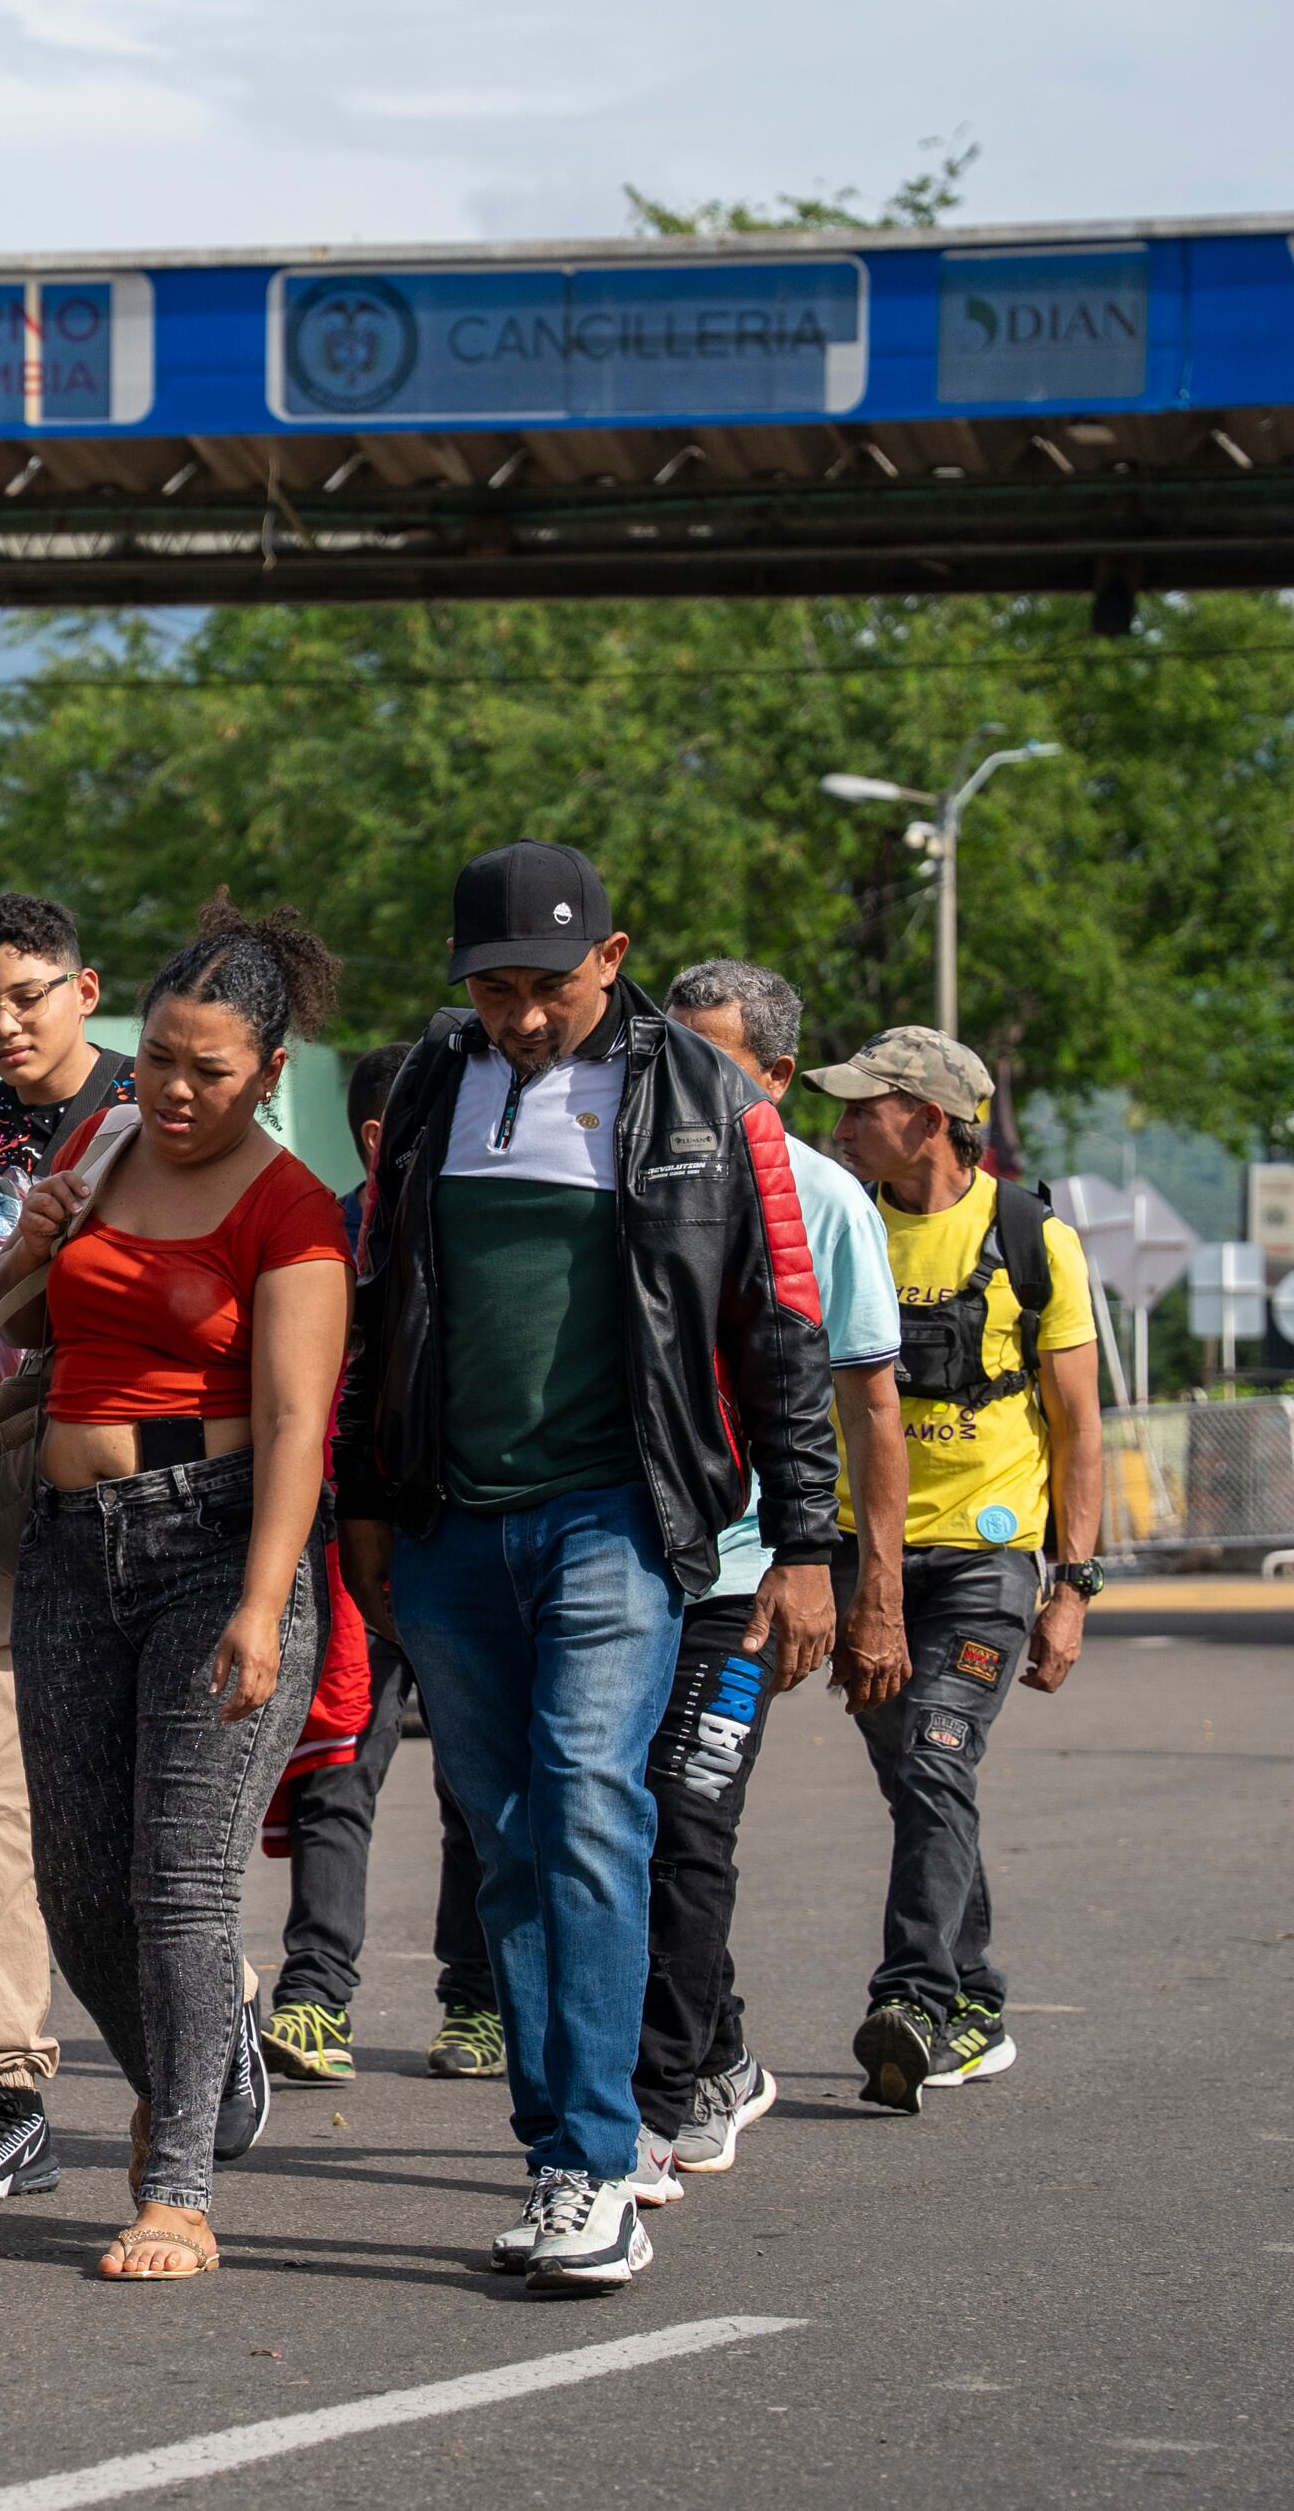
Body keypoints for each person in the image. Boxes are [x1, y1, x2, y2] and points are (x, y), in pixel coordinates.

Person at [338, 840, 839, 2296]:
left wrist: (810, 1542)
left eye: (545, 982)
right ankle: (561, 2143)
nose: (519, 1012)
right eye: (492, 986)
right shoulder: (433, 1084)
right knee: (504, 1837)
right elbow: (381, 1299)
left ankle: (598, 2162)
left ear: (611, 957)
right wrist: (369, 1497)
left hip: (617, 1515)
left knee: (590, 1804)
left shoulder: (706, 1098)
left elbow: (781, 1331)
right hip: (448, 1525)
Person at [0, 903, 352, 2280]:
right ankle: (211, 2061)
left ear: (266, 1069)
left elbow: (302, 1423)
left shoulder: (290, 1207)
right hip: (72, 1545)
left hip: (219, 1545)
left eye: (209, 1068)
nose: (176, 1091)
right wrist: (32, 1238)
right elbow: (12, 1321)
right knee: (78, 1891)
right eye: (157, 1059)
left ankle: (177, 2181)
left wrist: (263, 1604)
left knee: (180, 1889)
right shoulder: (104, 1142)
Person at [642, 962, 908, 2181]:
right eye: (667, 1050)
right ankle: (722, 2052)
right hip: (625, 1569)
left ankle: (671, 2091)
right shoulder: (628, 1172)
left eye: (711, 1057)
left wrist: (864, 1587)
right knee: (616, 1827)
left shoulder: (823, 1199)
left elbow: (865, 1414)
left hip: (747, 1581)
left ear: (777, 1076)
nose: (678, 1077)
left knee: (689, 1821)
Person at [809, 1025, 1102, 2111]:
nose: (838, 1127)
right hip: (861, 1560)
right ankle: (976, 1998)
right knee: (921, 1782)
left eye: (860, 1109)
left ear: (928, 1119)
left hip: (987, 1564)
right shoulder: (843, 1226)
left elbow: (1079, 1428)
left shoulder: (1033, 1240)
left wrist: (1073, 1589)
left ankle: (914, 2001)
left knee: (934, 1757)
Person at [0, 892, 132, 2202]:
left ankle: (199, 2010)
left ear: (86, 988)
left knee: (133, 1787)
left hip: (134, 1477)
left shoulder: (165, 1112)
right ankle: (8, 2085)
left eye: (27, 994)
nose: (4, 1022)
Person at [259, 1040, 506, 2087]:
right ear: (377, 1137)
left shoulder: (494, 1229)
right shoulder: (321, 1238)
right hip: (350, 1547)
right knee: (335, 1771)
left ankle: (477, 2003)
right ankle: (314, 1998)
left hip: (465, 1550)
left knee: (474, 1782)